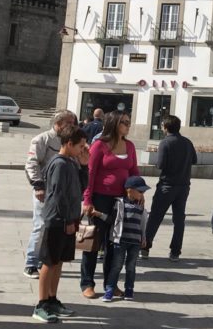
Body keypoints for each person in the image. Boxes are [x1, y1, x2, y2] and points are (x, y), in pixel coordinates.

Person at [82, 112, 139, 298]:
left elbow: (134, 171)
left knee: (114, 245)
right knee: (92, 243)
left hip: (121, 202)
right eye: (125, 122)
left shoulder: (129, 146)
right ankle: (87, 283)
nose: (128, 125)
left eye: (129, 122)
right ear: (114, 123)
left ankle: (110, 284)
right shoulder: (99, 145)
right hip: (99, 199)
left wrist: (138, 190)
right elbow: (90, 174)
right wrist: (87, 200)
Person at [33, 127, 86, 323]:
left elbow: (81, 188)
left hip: (68, 220)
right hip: (57, 221)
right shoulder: (59, 164)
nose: (83, 149)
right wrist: (66, 221)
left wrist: (85, 165)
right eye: (80, 146)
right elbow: (57, 195)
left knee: (59, 261)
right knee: (49, 261)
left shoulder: (71, 162)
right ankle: (41, 304)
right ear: (69, 143)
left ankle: (52, 298)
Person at [23, 110, 80, 279]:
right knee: (40, 226)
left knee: (54, 229)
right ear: (59, 123)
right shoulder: (42, 139)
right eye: (70, 122)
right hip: (45, 191)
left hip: (62, 192)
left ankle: (45, 258)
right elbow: (31, 164)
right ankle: (31, 263)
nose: (73, 125)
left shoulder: (69, 141)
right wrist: (38, 186)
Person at [144, 114, 198, 262]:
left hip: (167, 185)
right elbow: (194, 160)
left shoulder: (165, 143)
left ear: (166, 127)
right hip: (183, 186)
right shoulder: (187, 142)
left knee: (155, 217)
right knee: (179, 219)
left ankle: (145, 247)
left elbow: (160, 165)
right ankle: (175, 252)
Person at [104, 175, 149, 302]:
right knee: (116, 266)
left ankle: (129, 289)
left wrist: (143, 237)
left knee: (131, 267)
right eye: (140, 191)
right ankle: (109, 290)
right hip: (120, 241)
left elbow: (143, 223)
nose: (142, 193)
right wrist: (98, 214)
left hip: (135, 242)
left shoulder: (141, 206)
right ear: (129, 190)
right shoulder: (119, 203)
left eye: (144, 191)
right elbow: (112, 220)